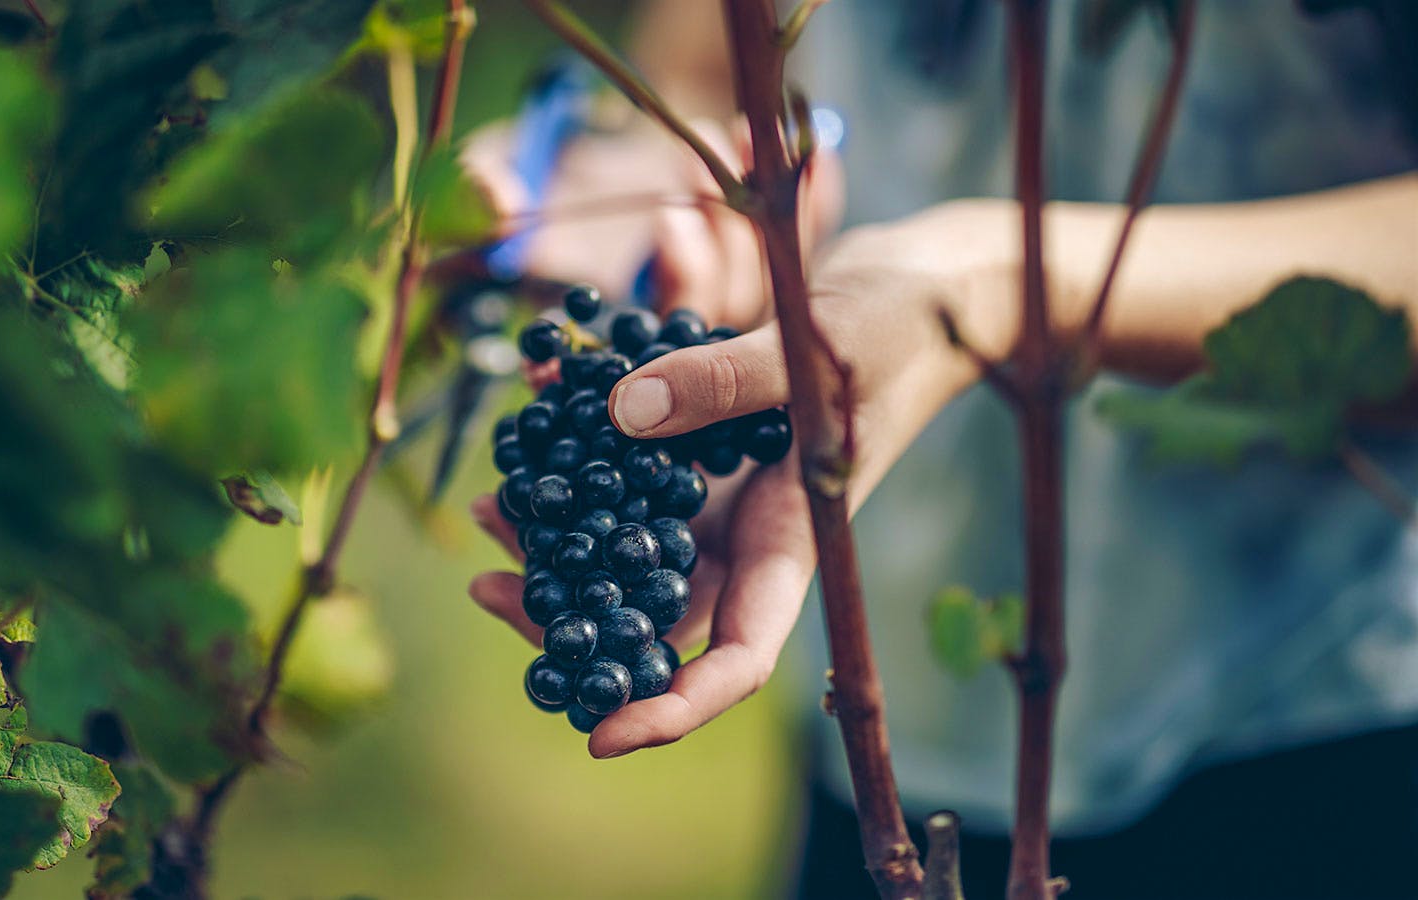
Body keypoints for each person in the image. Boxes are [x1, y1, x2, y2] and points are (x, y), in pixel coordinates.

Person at [465, 1, 1418, 895]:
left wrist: (991, 286)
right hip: (884, 680)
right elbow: (707, 59)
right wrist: (661, 183)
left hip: (1312, 709)